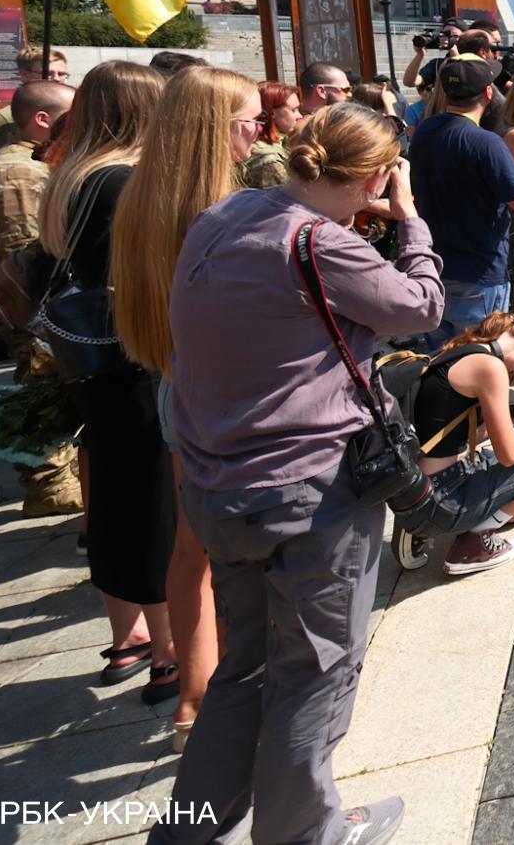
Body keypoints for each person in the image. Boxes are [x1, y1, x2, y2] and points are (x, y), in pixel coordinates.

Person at [158, 103, 440, 845]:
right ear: (377, 175)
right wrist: (409, 221)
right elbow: (420, 306)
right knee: (314, 675)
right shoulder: (317, 242)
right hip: (309, 489)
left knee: (244, 667)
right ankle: (299, 833)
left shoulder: (222, 218)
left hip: (219, 482)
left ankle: (190, 830)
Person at [112, 67, 263, 723]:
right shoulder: (226, 212)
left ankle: (194, 697)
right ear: (216, 130)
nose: (260, 135)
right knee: (244, 556)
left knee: (190, 550)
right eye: (250, 122)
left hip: (174, 385)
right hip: (233, 400)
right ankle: (236, 693)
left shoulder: (138, 199)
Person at [36, 63, 175, 696]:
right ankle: (171, 651)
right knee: (154, 502)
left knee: (114, 497)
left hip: (90, 362)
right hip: (132, 357)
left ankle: (128, 640)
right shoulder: (122, 181)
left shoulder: (70, 175)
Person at [409, 59, 514, 344]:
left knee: (440, 369)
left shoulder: (424, 131)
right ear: (487, 93)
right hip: (478, 274)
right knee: (482, 365)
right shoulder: (486, 142)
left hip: (434, 268)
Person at [408, 311, 514, 575]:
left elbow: (458, 431)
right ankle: (475, 544)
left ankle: (416, 530)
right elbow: (509, 454)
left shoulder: (459, 351)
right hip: (444, 498)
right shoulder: (490, 367)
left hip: (417, 488)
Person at [0, 78, 73, 380]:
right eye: (71, 116)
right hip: (35, 309)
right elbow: (25, 251)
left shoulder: (37, 160)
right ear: (43, 119)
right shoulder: (17, 171)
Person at [239, 82, 302, 189]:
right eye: (293, 110)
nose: (300, 116)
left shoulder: (282, 142)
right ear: (271, 113)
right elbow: (283, 202)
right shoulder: (268, 160)